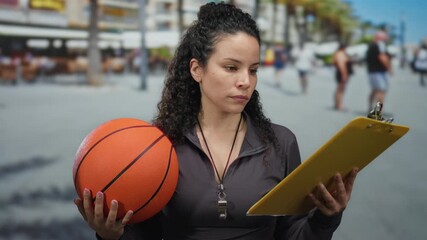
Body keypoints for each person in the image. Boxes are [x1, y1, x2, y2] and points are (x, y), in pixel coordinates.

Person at [74, 2, 358, 240]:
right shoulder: (160, 146)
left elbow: (293, 234)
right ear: (197, 69)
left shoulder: (281, 142)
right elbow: (145, 235)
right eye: (231, 67)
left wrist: (326, 217)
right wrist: (110, 235)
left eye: (253, 69)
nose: (246, 82)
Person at [366, 30, 392, 112]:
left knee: (375, 90)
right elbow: (382, 57)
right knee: (381, 91)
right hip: (378, 72)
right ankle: (378, 111)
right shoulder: (380, 44)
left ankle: (370, 108)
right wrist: (389, 68)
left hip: (372, 71)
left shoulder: (372, 45)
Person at [333, 43, 353, 110]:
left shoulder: (340, 53)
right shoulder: (340, 54)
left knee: (340, 89)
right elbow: (341, 65)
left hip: (341, 73)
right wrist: (344, 74)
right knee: (340, 89)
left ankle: (338, 103)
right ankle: (339, 104)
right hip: (342, 73)